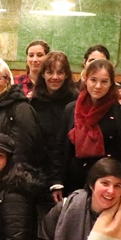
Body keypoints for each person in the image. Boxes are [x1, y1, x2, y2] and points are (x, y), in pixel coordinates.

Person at [54, 59, 121, 200]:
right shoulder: (71, 109)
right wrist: (57, 182)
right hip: (76, 182)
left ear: (111, 83)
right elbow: (61, 149)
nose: (98, 86)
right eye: (93, 80)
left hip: (111, 185)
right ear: (85, 79)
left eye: (104, 81)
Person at [30, 52, 77, 217]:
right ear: (43, 74)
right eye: (50, 72)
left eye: (60, 72)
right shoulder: (33, 103)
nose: (55, 77)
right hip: (40, 174)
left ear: (67, 75)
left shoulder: (76, 102)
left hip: (68, 173)